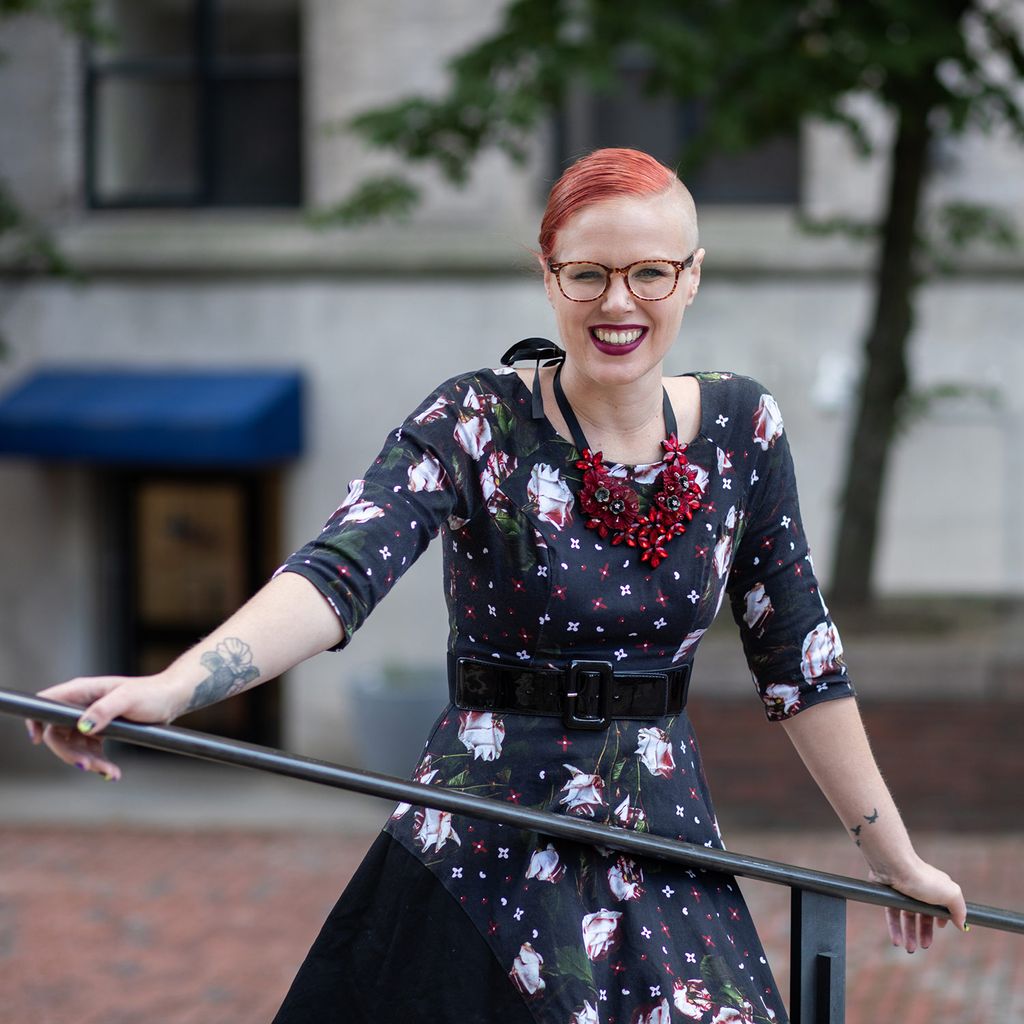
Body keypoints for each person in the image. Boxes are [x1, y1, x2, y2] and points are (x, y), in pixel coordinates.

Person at [27, 148, 966, 1024]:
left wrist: (893, 859)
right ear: (547, 274)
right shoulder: (476, 417)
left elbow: (799, 656)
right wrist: (174, 688)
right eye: (588, 274)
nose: (619, 301)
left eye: (650, 272)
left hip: (662, 843)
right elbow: (336, 573)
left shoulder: (742, 428)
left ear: (692, 275)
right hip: (481, 842)